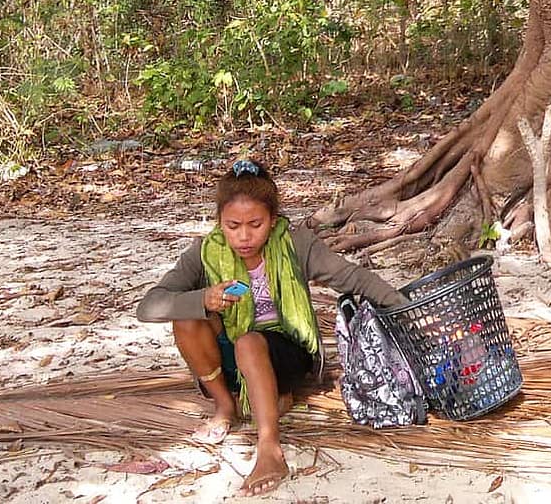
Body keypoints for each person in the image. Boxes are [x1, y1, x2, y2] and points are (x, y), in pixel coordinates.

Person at [136, 158, 406, 496]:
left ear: (273, 220)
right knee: (188, 319)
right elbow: (149, 306)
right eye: (233, 226)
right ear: (220, 222)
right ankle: (225, 406)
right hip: (230, 353)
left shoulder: (296, 244)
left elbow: (352, 278)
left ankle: (269, 450)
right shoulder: (203, 252)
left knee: (251, 342)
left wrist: (404, 307)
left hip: (286, 352)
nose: (244, 236)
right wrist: (204, 298)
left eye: (256, 224)